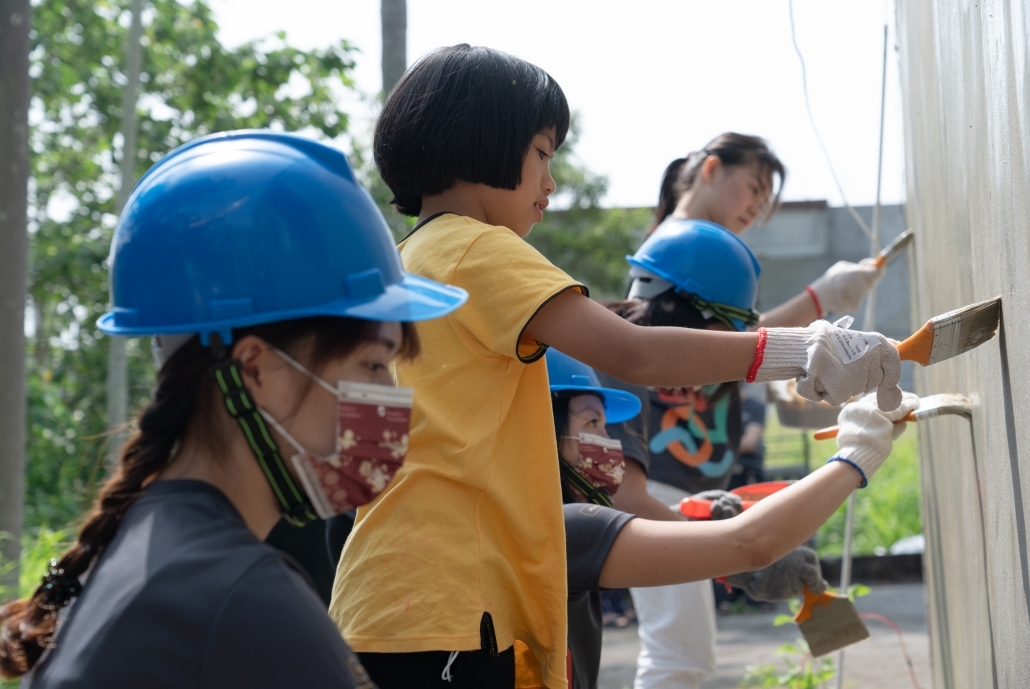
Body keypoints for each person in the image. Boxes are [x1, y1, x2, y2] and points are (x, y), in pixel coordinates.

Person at [330, 44, 904, 689]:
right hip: (450, 608)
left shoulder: (411, 255)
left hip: (394, 600)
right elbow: (636, 352)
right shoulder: (479, 247)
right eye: (543, 154)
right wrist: (805, 350)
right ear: (482, 142)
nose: (551, 183)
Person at [0, 131, 467, 688]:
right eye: (371, 366)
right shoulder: (243, 598)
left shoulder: (139, 549)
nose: (395, 406)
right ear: (256, 370)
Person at [511, 349, 915, 689]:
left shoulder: (519, 524)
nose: (608, 443)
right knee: (680, 655)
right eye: (592, 424)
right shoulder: (566, 529)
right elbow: (750, 543)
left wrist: (697, 524)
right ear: (538, 429)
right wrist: (857, 453)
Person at [634, 132, 882, 328]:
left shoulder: (674, 238)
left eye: (763, 205)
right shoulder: (691, 243)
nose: (755, 211)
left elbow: (729, 339)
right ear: (711, 169)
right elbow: (732, 346)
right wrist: (823, 297)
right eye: (754, 190)